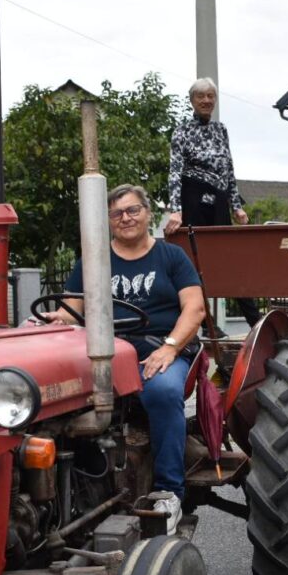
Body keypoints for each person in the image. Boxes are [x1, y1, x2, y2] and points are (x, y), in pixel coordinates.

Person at [41, 185, 205, 534]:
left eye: (133, 210)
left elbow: (195, 308)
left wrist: (171, 347)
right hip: (107, 352)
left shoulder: (171, 257)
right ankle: (73, 493)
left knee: (161, 392)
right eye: (116, 214)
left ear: (148, 213)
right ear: (108, 222)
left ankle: (168, 492)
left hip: (157, 349)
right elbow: (71, 311)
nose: (125, 218)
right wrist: (56, 319)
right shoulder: (93, 261)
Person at [162, 78, 259, 334]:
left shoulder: (220, 129)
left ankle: (256, 322)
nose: (206, 101)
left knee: (229, 259)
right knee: (196, 263)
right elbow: (174, 171)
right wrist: (176, 208)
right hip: (192, 197)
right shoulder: (181, 131)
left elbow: (229, 168)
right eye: (201, 96)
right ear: (192, 101)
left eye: (210, 96)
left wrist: (236, 206)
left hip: (218, 199)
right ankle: (207, 325)